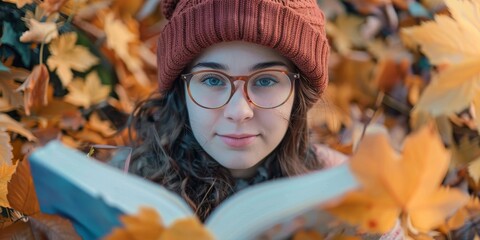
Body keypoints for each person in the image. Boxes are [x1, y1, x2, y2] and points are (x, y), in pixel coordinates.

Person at [128, 0, 345, 221]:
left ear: (299, 92)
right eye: (212, 80)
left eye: (266, 81)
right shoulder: (123, 187)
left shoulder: (351, 191)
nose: (239, 111)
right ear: (181, 89)